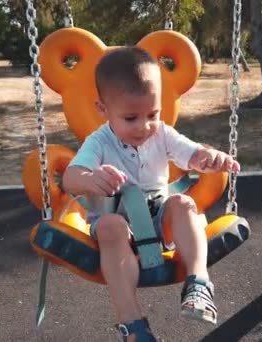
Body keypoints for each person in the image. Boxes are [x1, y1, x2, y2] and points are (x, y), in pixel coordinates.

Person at [62, 46, 240, 341]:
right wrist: (90, 178)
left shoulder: (162, 133)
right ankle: (133, 325)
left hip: (158, 220)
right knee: (108, 226)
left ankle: (198, 284)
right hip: (118, 226)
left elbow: (192, 153)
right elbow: (70, 177)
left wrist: (209, 159)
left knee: (184, 203)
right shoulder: (99, 142)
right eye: (131, 118)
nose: (144, 126)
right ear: (103, 109)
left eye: (152, 114)